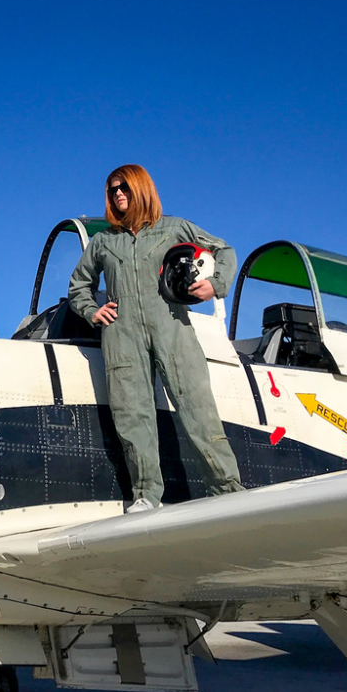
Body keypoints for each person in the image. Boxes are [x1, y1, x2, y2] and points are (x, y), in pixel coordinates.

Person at [68, 164, 244, 513]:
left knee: (197, 408)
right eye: (113, 189)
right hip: (121, 334)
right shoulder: (104, 241)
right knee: (132, 415)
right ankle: (146, 495)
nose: (118, 194)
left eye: (125, 188)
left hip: (172, 327)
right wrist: (92, 311)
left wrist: (215, 284)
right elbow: (78, 285)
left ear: (141, 188)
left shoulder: (174, 228)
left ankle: (227, 489)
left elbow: (223, 251)